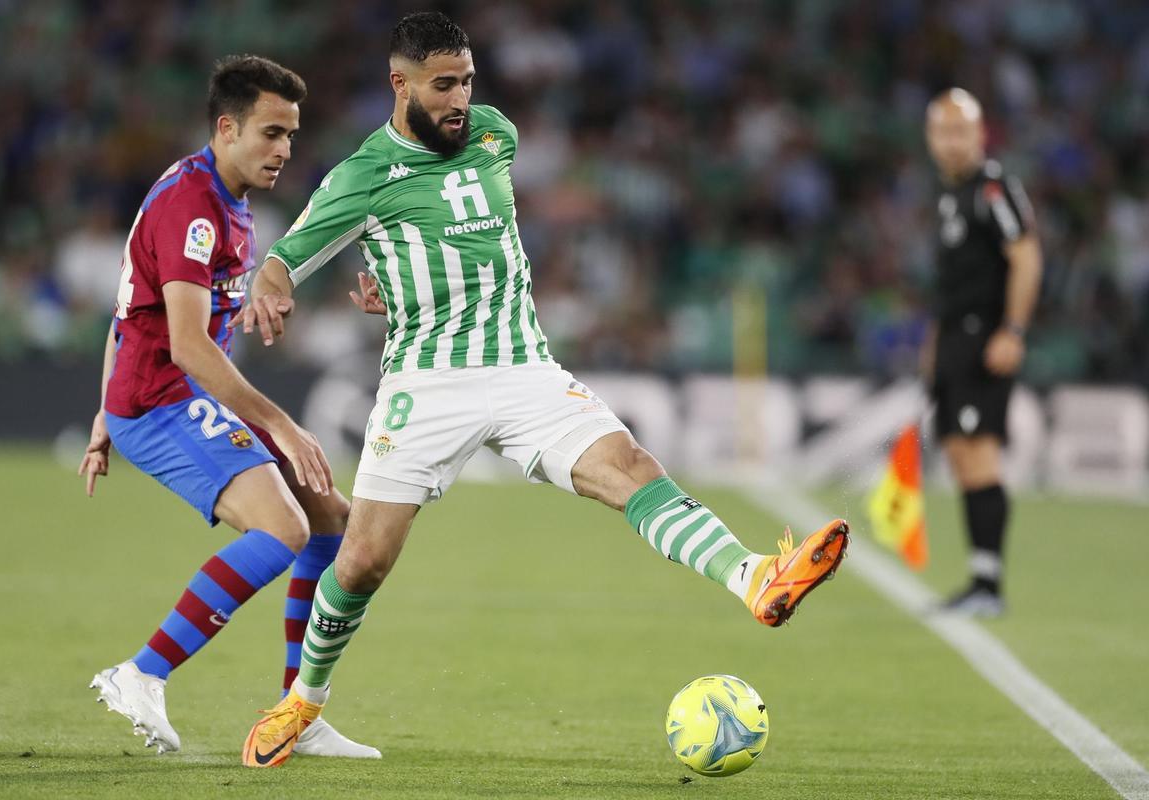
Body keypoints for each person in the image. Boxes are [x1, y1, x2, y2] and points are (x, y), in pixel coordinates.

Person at [236, 12, 849, 768]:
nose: (462, 98)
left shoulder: (497, 134)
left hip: (525, 368)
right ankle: (304, 700)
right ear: (400, 86)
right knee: (362, 563)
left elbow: (474, 244)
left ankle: (756, 578)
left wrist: (400, 283)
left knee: (631, 469)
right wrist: (273, 290)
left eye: (467, 80)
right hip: (428, 385)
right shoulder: (362, 177)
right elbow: (284, 258)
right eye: (443, 85)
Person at [77, 55, 378, 759]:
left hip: (173, 396)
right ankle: (140, 672)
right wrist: (279, 419)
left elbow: (131, 309)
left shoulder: (221, 197)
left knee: (329, 514)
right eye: (272, 133)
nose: (284, 150)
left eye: (292, 136)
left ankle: (294, 714)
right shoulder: (193, 206)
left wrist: (97, 414)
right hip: (162, 402)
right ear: (227, 127)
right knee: (282, 531)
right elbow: (183, 346)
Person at [922, 88, 1042, 617]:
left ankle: (989, 586)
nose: (951, 143)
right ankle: (980, 580)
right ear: (930, 138)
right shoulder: (950, 195)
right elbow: (952, 283)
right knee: (959, 454)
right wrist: (935, 344)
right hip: (955, 339)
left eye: (961, 131)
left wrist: (1012, 330)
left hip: (984, 338)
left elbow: (1027, 257)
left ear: (979, 134)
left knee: (980, 452)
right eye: (942, 132)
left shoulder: (993, 187)